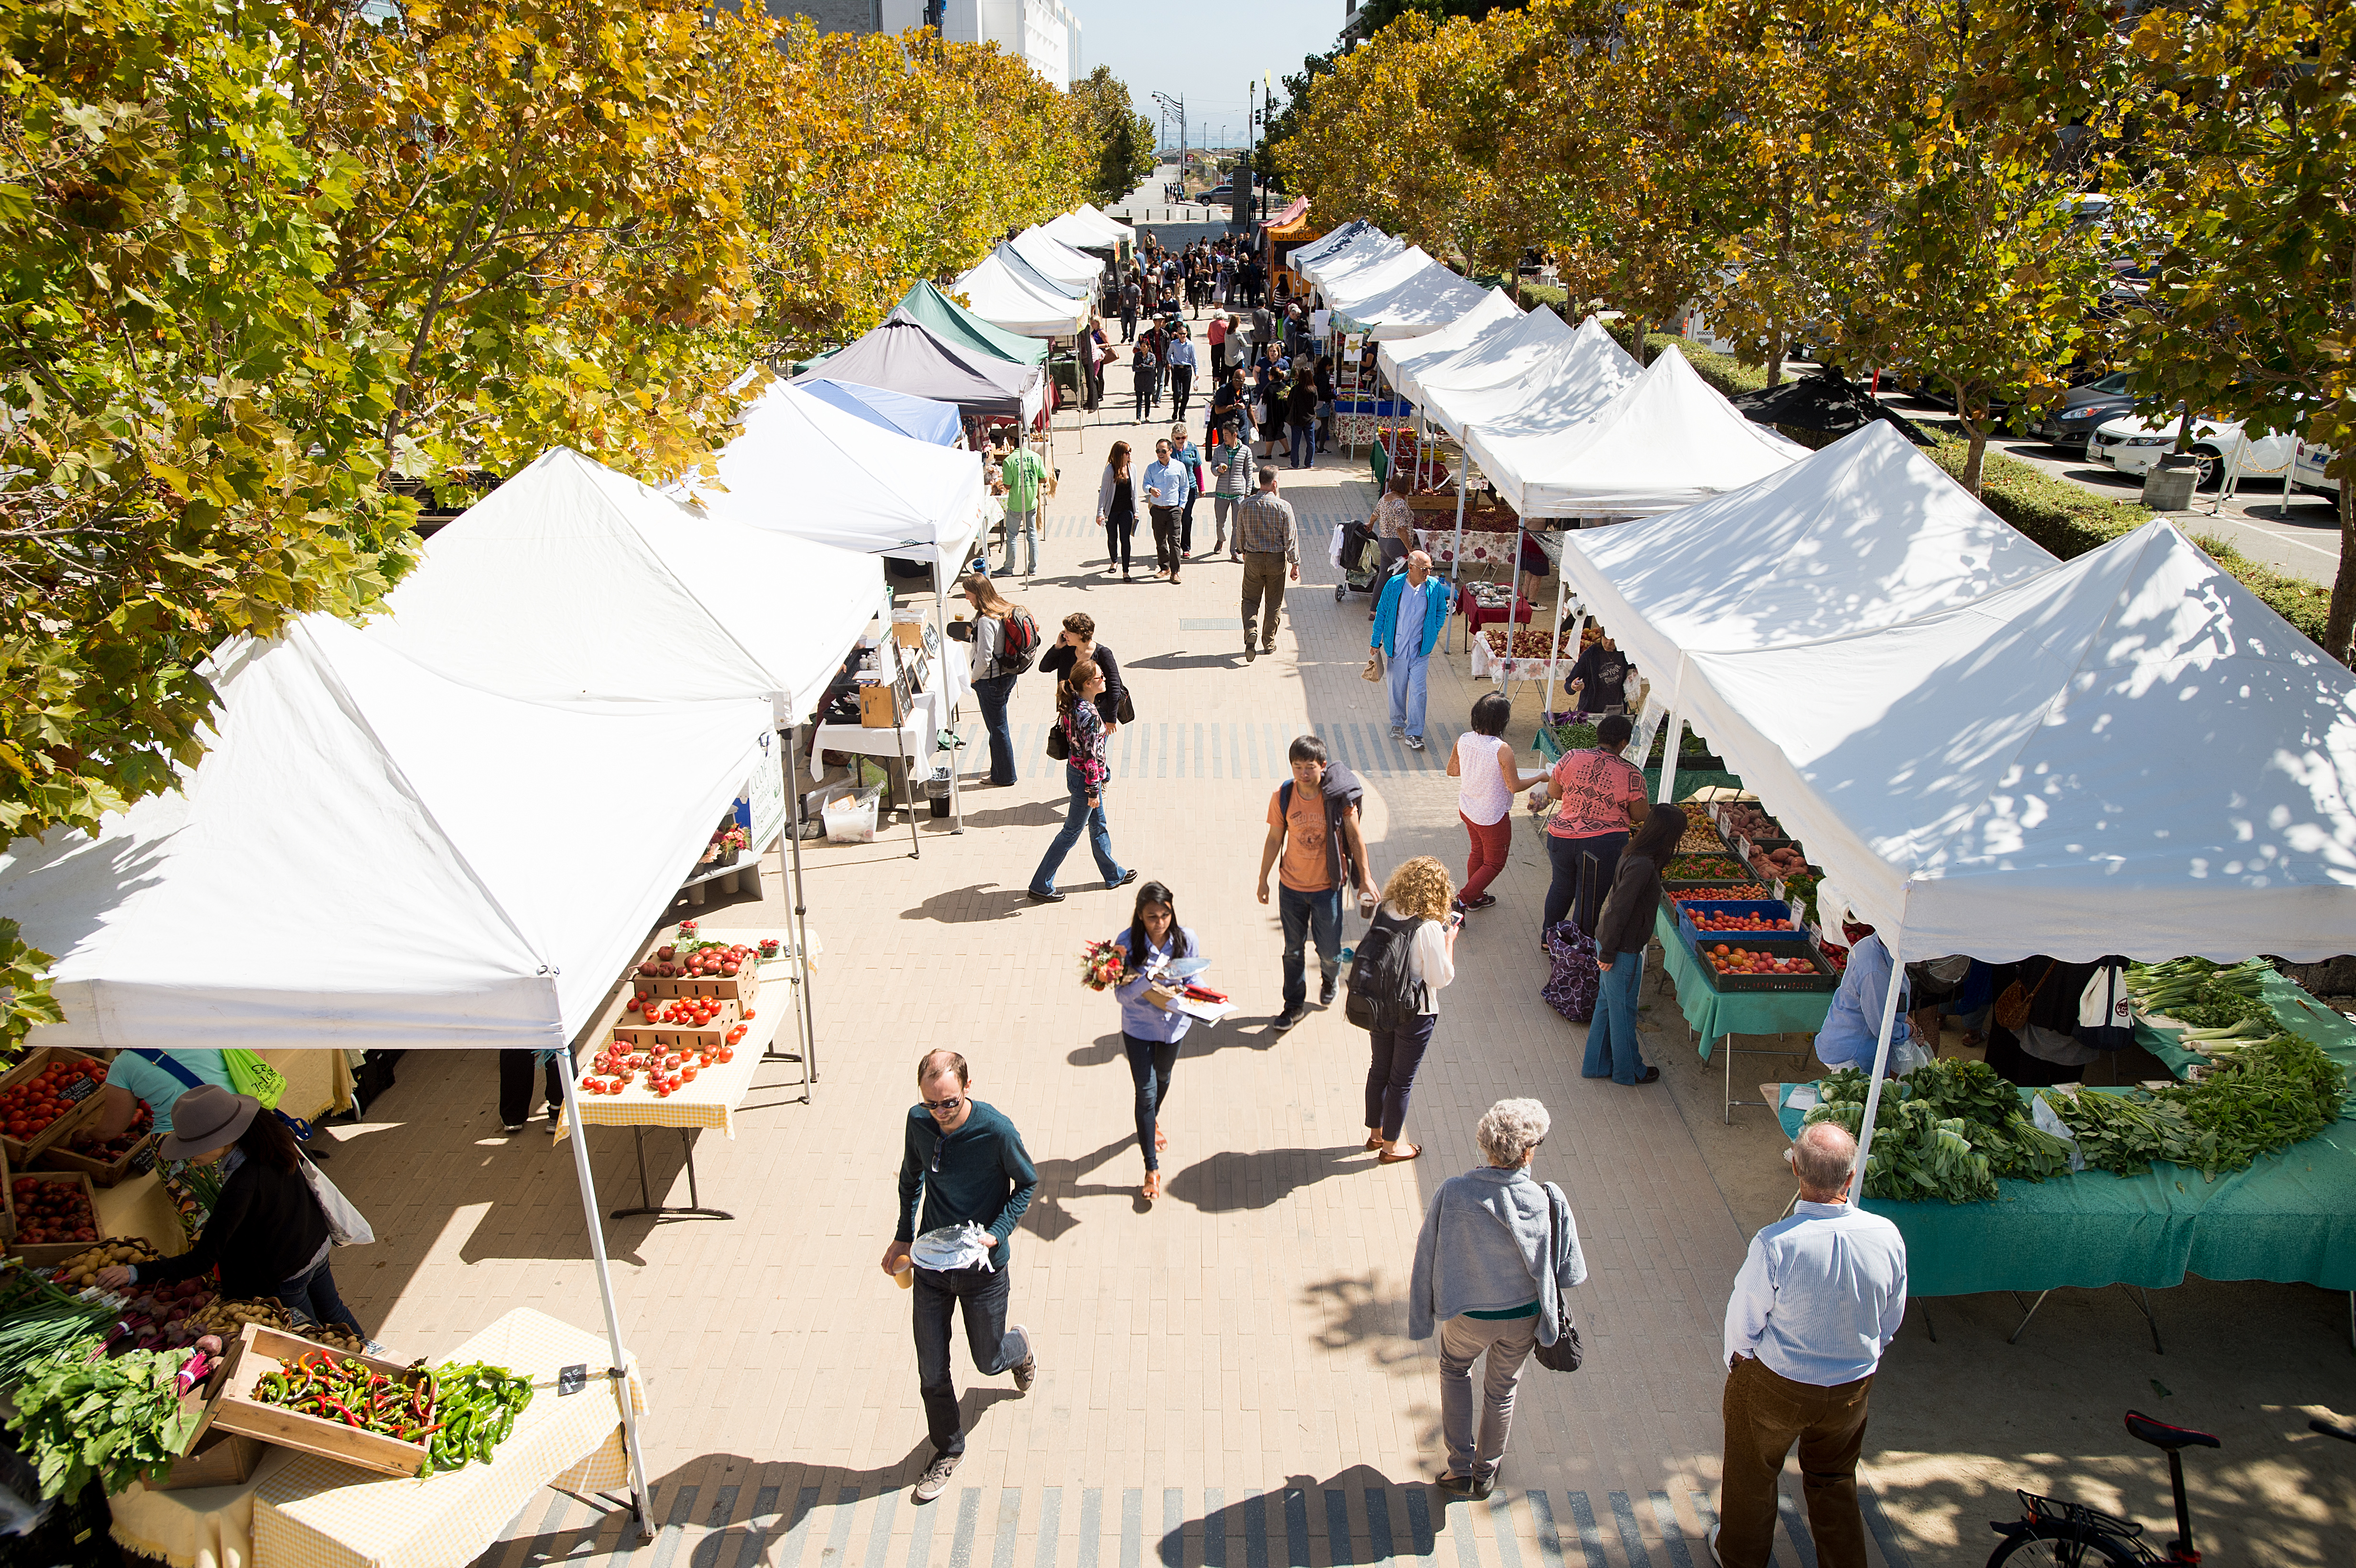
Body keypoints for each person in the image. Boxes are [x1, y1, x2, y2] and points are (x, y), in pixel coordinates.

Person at [1715, 1122, 1907, 1568]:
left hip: (1777, 1384)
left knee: (1751, 1474)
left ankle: (1740, 1557)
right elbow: (1890, 1319)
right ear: (1852, 1175)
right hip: (1851, 1389)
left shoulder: (1774, 1243)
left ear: (1796, 1169)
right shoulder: (1887, 1236)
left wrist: (1740, 1365)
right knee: (1835, 1478)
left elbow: (1744, 1322)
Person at [1408, 1098, 1587, 1500]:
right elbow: (1569, 1271)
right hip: (1524, 1318)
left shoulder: (1453, 1192)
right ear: (1526, 1153)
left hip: (1468, 1316)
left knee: (1454, 1369)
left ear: (1486, 1147)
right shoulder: (1546, 1199)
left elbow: (1425, 1255)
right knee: (1502, 1390)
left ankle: (1458, 1468)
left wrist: (1421, 1317)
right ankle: (1486, 1472)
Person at [884, 1049, 1040, 1503]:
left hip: (982, 1269)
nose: (941, 1113)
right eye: (932, 1104)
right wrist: (902, 1238)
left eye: (949, 1103)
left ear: (967, 1088)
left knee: (988, 1360)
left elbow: (1027, 1182)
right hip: (932, 1266)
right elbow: (910, 1179)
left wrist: (997, 1233)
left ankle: (1020, 1347)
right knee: (932, 1371)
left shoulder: (996, 1130)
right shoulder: (919, 1124)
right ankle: (948, 1449)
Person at [95, 1085, 369, 1341]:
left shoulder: (243, 1184)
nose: (190, 1157)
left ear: (224, 1138)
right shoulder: (274, 1141)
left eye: (195, 1147)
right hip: (315, 1248)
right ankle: (378, 1358)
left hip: (287, 1274)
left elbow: (202, 1260)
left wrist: (134, 1273)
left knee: (310, 1336)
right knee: (335, 1313)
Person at [1258, 734, 1378, 1030]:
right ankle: (1294, 1005)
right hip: (1291, 889)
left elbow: (1355, 837)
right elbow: (1275, 839)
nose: (1303, 773)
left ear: (1322, 766)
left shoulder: (1337, 797)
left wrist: (1366, 879)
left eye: (1309, 767)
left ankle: (1330, 978)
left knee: (1329, 950)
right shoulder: (1283, 796)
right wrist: (1263, 879)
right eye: (1297, 767)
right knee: (1293, 950)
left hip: (1328, 889)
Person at [1360, 856, 1459, 1163]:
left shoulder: (1386, 909)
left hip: (1382, 1004)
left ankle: (1375, 1135)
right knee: (1401, 1080)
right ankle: (1391, 1148)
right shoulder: (1429, 927)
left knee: (1379, 1069)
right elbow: (1439, 978)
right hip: (1415, 1013)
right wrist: (1449, 941)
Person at [1110, 882, 1203, 1204]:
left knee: (1163, 1078)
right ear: (1140, 915)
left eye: (1165, 915)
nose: (1160, 922)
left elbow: (1193, 978)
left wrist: (1209, 997)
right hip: (1138, 1028)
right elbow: (1121, 994)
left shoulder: (1185, 939)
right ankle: (1151, 1167)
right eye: (1152, 917)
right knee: (1145, 1092)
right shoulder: (1127, 945)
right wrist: (1148, 980)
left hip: (1175, 1027)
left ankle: (1151, 1120)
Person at [1584, 803, 1682, 1086]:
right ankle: (1630, 1072)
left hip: (1613, 941)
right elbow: (1619, 908)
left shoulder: (1634, 853)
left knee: (1607, 1006)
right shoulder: (1643, 865)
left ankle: (1596, 1064)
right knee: (1623, 1011)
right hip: (1621, 947)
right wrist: (1609, 952)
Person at [1027, 659, 1134, 903]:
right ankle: (1040, 885)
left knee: (1099, 825)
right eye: (1100, 677)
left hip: (1074, 774)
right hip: (1086, 781)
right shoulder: (1091, 717)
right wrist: (1094, 790)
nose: (1105, 679)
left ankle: (1113, 874)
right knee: (1071, 833)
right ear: (1088, 684)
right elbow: (1092, 758)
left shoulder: (1072, 703)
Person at [1537, 713, 1648, 937]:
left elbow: (1554, 792)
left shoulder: (1571, 757)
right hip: (1603, 844)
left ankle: (1549, 938)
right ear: (1624, 743)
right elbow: (1640, 815)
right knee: (1590, 897)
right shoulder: (1632, 773)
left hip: (1562, 837)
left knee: (1561, 887)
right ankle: (1580, 947)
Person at [1447, 693, 1546, 913]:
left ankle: (1475, 898)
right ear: (1502, 721)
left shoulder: (1463, 739)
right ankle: (1462, 900)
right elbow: (1515, 786)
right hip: (1492, 817)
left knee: (1477, 853)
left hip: (1468, 809)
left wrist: (1476, 769)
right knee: (1494, 863)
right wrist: (1540, 776)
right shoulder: (1502, 749)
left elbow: (1452, 771)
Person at [1371, 550, 1449, 751]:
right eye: (1424, 569)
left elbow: (1441, 610)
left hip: (1421, 651)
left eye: (1430, 569)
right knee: (1397, 689)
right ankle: (1398, 723)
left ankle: (1415, 733)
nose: (1428, 573)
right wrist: (1375, 641)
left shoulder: (1434, 587)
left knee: (1418, 692)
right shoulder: (1394, 584)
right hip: (1396, 649)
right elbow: (1382, 612)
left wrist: (1434, 630)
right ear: (1411, 568)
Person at [952, 573, 1024, 787]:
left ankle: (1004, 775)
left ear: (978, 594)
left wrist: (973, 678)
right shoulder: (1002, 608)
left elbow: (984, 655)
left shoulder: (985, 620)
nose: (967, 598)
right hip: (1007, 676)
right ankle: (1000, 769)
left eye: (968, 594)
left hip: (990, 681)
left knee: (998, 728)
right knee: (999, 725)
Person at [94, 1047, 232, 1143]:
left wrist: (87, 1135)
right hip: (236, 1117)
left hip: (184, 1139)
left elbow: (110, 1130)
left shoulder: (123, 1064)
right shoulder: (193, 1031)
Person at [1234, 468, 1298, 660]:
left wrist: (1243, 551)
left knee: (1250, 600)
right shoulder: (1284, 507)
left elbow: (1240, 533)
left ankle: (1251, 630)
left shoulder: (1245, 505)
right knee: (1274, 603)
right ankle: (1268, 643)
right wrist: (1295, 563)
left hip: (1253, 558)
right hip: (1276, 560)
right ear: (1275, 484)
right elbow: (1291, 538)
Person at [1037, 612, 1127, 732]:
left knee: (1094, 748)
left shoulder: (1103, 654)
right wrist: (1057, 647)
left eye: (1068, 632)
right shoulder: (1067, 650)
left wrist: (1111, 719)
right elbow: (1044, 667)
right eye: (1064, 631)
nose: (1065, 635)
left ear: (1081, 634)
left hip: (1098, 710)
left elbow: (1114, 687)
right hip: (1071, 708)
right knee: (1074, 747)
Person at [996, 427, 1047, 578]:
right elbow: (1044, 479)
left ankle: (1008, 568)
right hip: (1031, 502)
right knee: (1032, 536)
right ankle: (1033, 568)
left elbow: (1008, 485)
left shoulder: (1009, 461)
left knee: (1012, 536)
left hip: (1015, 504)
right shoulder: (1035, 457)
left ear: (1012, 440)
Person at [1207, 415, 1255, 560]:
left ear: (1235, 435)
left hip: (1238, 494)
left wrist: (1247, 492)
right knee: (1220, 522)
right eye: (1223, 435)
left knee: (1237, 525)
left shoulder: (1246, 451)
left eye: (1227, 435)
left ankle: (1234, 551)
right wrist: (1219, 470)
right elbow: (1213, 468)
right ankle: (1221, 539)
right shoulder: (1219, 450)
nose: (1224, 438)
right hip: (1221, 494)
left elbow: (1249, 472)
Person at [1141, 437, 1189, 583]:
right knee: (1160, 541)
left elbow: (1185, 487)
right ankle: (1164, 567)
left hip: (1174, 510)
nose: (1160, 454)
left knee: (1174, 541)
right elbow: (1145, 484)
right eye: (1158, 451)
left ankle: (1175, 572)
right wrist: (1150, 489)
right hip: (1157, 510)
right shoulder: (1152, 468)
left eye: (1163, 451)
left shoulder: (1179, 467)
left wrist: (1181, 506)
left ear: (1170, 451)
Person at [1561, 631, 1636, 716]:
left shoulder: (1625, 654)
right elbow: (1569, 683)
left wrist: (1633, 676)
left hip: (1616, 709)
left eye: (1614, 640)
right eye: (1606, 638)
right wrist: (1573, 687)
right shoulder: (1590, 654)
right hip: (1591, 710)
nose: (1608, 644)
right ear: (1602, 636)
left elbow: (1633, 670)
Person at [1095, 441, 1137, 582]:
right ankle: (1114, 561)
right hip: (1112, 511)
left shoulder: (1133, 468)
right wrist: (1100, 513)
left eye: (1130, 451)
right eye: (1127, 452)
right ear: (1120, 455)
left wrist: (1136, 510)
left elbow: (1135, 491)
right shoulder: (1110, 470)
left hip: (1127, 510)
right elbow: (1103, 493)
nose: (1130, 454)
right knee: (1112, 538)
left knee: (1125, 540)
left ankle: (1126, 571)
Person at [1169, 423, 1204, 558]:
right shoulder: (1169, 450)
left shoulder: (1192, 448)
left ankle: (1186, 547)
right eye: (1178, 438)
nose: (1181, 441)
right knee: (1173, 518)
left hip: (1190, 488)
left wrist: (1202, 488)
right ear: (1173, 438)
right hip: (1174, 489)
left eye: (1183, 437)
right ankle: (1174, 545)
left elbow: (1198, 469)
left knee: (1186, 517)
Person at [1371, 471, 1416, 558]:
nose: (1411, 487)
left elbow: (1375, 514)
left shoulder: (1385, 497)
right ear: (1404, 486)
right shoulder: (1400, 504)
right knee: (1401, 571)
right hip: (1397, 544)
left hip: (1383, 542)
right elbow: (1401, 529)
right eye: (1410, 485)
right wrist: (1410, 549)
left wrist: (1370, 524)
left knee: (1385, 571)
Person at [1286, 368, 1319, 469]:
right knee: (1311, 442)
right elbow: (1315, 404)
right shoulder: (1313, 390)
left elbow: (1289, 403)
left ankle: (1295, 464)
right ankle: (1309, 463)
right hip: (1309, 419)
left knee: (1295, 443)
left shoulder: (1295, 389)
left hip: (1297, 419)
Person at [1167, 327, 1198, 420]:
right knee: (1176, 393)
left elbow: (1194, 359)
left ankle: (1182, 414)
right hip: (1177, 370)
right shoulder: (1174, 344)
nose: (1182, 336)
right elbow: (1169, 354)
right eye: (1180, 334)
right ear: (1178, 334)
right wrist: (1172, 364)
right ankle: (1175, 410)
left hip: (1187, 370)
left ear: (1187, 334)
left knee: (1186, 395)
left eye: (1184, 334)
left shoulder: (1191, 345)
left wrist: (1196, 372)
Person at [1131, 334, 1158, 420]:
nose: (1142, 348)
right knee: (1139, 400)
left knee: (1147, 400)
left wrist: (1142, 366)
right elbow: (1135, 368)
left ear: (1148, 347)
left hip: (1149, 381)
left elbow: (1152, 368)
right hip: (1139, 380)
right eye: (1141, 346)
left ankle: (1147, 416)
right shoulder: (1137, 356)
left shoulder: (1152, 356)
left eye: (1144, 346)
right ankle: (1138, 418)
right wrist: (1146, 366)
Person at [1207, 313, 1229, 381]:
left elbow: (1209, 334)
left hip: (1215, 346)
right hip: (1224, 346)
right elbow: (1228, 336)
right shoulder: (1226, 325)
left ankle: (1216, 378)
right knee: (1224, 364)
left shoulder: (1212, 324)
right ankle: (1223, 381)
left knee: (1215, 363)